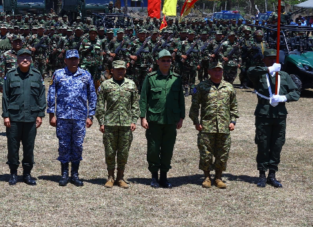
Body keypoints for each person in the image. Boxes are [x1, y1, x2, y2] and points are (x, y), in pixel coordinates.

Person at [247, 49, 300, 188]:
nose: (272, 61)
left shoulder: (284, 75)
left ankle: (272, 174)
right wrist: (268, 69)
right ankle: (262, 175)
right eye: (269, 59)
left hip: (279, 115)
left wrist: (284, 97)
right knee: (263, 144)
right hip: (263, 114)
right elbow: (249, 72)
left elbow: (295, 93)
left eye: (274, 59)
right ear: (264, 60)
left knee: (277, 145)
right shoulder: (260, 75)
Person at [47, 49, 97, 187]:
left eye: (75, 59)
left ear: (79, 60)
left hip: (80, 117)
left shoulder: (86, 75)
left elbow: (92, 95)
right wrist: (51, 114)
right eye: (70, 59)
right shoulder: (58, 74)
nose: (73, 61)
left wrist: (90, 116)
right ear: (65, 60)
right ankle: (64, 174)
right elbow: (51, 94)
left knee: (77, 145)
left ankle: (75, 174)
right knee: (63, 145)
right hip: (62, 117)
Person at [140, 49, 185, 189]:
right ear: (158, 62)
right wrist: (142, 117)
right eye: (163, 60)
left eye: (168, 60)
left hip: (171, 121)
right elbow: (143, 98)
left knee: (167, 149)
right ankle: (154, 177)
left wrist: (181, 117)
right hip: (154, 120)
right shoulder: (150, 77)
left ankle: (164, 177)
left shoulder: (176, 78)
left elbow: (180, 100)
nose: (166, 63)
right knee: (153, 149)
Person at [189, 60, 238, 189]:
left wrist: (233, 121)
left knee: (222, 154)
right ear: (209, 71)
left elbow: (234, 107)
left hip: (224, 126)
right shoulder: (202, 87)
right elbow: (194, 106)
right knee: (206, 153)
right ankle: (206, 177)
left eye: (219, 70)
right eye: (214, 70)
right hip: (206, 126)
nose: (217, 72)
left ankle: (218, 177)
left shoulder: (229, 87)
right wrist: (196, 122)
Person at [1, 48, 46, 186]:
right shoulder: (10, 75)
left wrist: (40, 114)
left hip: (31, 117)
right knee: (13, 147)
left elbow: (41, 96)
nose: (25, 60)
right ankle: (13, 173)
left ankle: (27, 173)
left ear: (31, 60)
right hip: (14, 118)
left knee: (29, 147)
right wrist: (6, 115)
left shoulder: (37, 75)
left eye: (27, 57)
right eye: (22, 57)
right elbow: (5, 97)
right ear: (17, 60)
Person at [95, 60, 139, 189]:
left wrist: (134, 120)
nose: (120, 71)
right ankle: (110, 177)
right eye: (117, 69)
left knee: (123, 152)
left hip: (126, 124)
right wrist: (101, 122)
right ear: (112, 71)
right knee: (109, 152)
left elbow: (135, 104)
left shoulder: (131, 85)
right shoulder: (105, 85)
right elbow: (100, 105)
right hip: (110, 123)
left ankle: (120, 177)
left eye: (123, 69)